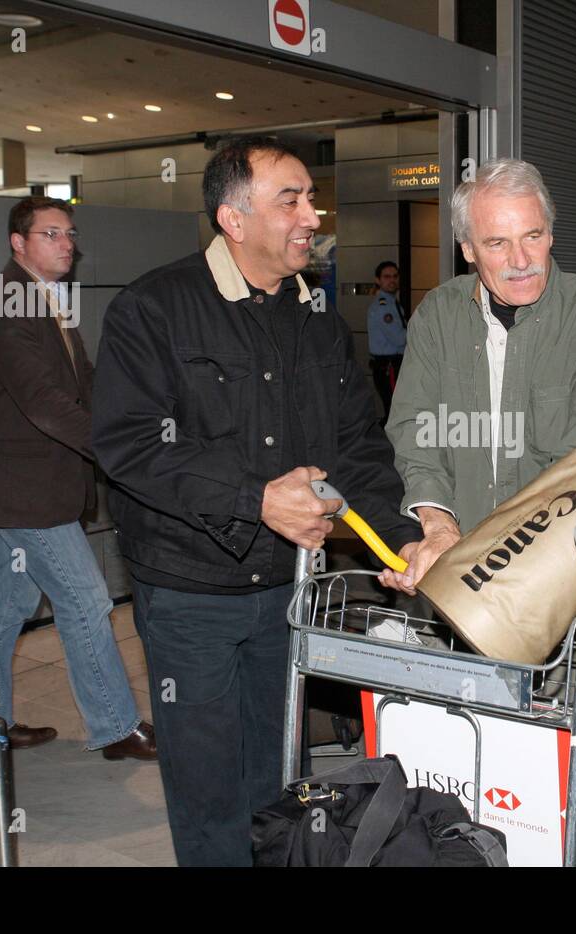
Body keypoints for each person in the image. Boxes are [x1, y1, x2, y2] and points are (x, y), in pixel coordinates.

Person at [91, 136, 423, 866]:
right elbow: (130, 447)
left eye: (312, 197)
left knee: (276, 782)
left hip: (285, 592)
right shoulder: (154, 309)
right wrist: (253, 499)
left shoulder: (315, 321)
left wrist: (400, 536)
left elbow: (357, 448)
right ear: (233, 218)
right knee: (207, 792)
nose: (313, 214)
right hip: (188, 597)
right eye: (292, 199)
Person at [0, 196, 156, 760]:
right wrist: (118, 452)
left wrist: (128, 424)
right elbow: (44, 402)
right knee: (88, 601)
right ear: (17, 243)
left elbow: (84, 381)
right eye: (51, 234)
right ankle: (116, 728)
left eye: (69, 234)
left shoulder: (46, 299)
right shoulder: (2, 302)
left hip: (28, 486)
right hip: (24, 491)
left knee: (2, 610)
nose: (66, 244)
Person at [382, 159, 576, 594]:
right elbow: (415, 428)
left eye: (533, 236)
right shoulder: (438, 316)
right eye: (497, 243)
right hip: (449, 565)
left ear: (550, 234)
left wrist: (501, 565)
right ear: (469, 249)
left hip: (549, 571)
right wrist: (438, 527)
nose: (521, 260)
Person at [367, 260, 406, 418]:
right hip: (389, 366)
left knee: (395, 409)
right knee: (395, 412)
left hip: (392, 365)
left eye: (395, 276)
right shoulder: (383, 307)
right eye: (387, 276)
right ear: (378, 280)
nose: (392, 280)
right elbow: (399, 339)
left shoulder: (391, 303)